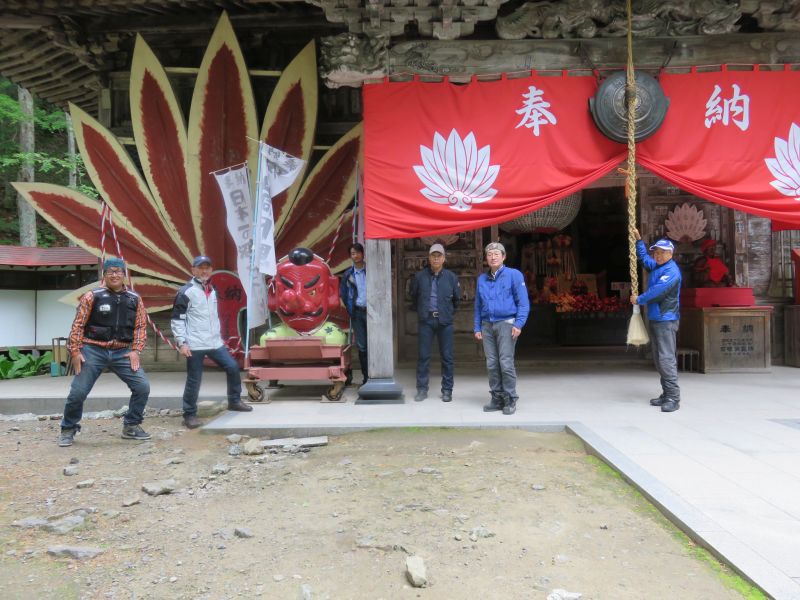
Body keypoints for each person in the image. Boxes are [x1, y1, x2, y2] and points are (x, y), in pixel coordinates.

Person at [59, 257, 151, 446]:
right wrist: (75, 352)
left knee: (142, 386)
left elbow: (141, 326)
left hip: (122, 351)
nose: (114, 275)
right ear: (104, 275)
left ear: (124, 274)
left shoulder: (134, 299)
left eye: (118, 271)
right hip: (93, 349)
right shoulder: (92, 296)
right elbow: (78, 325)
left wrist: (136, 350)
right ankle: (68, 428)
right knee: (78, 392)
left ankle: (131, 425)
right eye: (110, 271)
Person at [171, 256, 251, 430]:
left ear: (211, 270)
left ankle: (234, 401)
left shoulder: (212, 289)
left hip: (215, 342)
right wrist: (182, 343)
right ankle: (189, 415)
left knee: (232, 367)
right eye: (200, 268)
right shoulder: (186, 292)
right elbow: (177, 320)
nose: (204, 271)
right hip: (194, 343)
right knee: (194, 379)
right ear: (193, 270)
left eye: (207, 267)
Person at [474, 242, 530, 415]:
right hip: (487, 325)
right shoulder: (482, 279)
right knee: (491, 363)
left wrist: (518, 324)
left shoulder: (514, 275)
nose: (493, 257)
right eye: (489, 254)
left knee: (505, 362)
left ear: (503, 257)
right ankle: (497, 397)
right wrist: (477, 327)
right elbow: (478, 306)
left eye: (496, 254)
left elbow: (523, 303)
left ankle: (510, 398)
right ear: (486, 258)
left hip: (507, 323)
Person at [631, 230, 682, 413]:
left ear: (671, 254)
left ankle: (673, 397)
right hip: (656, 318)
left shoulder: (671, 271)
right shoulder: (658, 266)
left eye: (662, 252)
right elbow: (645, 259)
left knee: (666, 358)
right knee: (659, 359)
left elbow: (657, 291)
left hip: (666, 320)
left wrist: (639, 299)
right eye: (656, 252)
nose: (658, 255)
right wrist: (639, 241)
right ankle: (666, 393)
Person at [410, 243, 461, 402]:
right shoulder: (419, 277)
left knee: (447, 357)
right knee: (423, 356)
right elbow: (414, 296)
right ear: (429, 257)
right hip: (426, 320)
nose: (436, 258)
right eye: (433, 255)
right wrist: (423, 312)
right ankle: (422, 389)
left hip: (445, 321)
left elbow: (457, 300)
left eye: (439, 256)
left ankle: (447, 390)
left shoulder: (451, 277)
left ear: (444, 258)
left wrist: (447, 313)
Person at [340, 242, 368, 385]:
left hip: (372, 313)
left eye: (357, 252)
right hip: (357, 313)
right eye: (352, 253)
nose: (355, 255)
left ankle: (377, 375)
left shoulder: (371, 271)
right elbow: (344, 295)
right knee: (362, 346)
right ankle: (366, 377)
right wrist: (351, 309)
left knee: (375, 343)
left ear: (363, 253)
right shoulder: (348, 275)